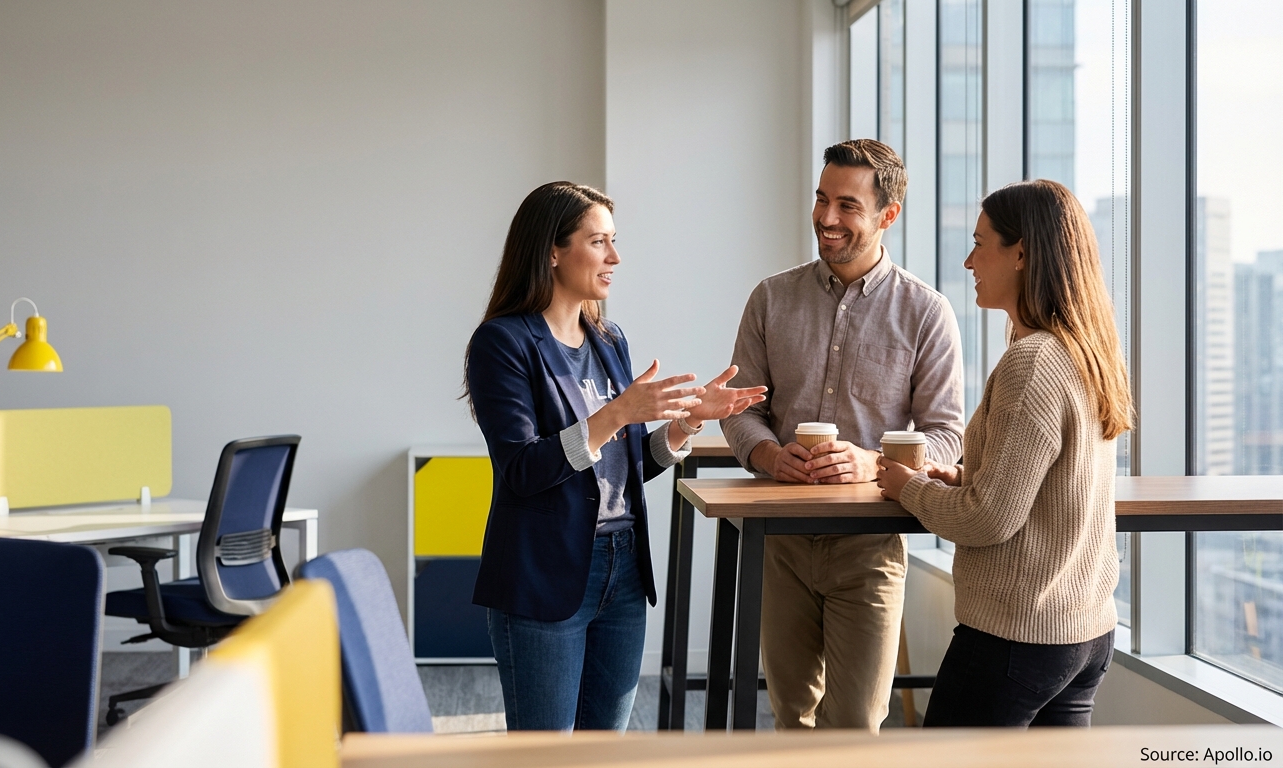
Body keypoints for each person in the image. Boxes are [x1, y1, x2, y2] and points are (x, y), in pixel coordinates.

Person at [463, 181, 766, 732]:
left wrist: (685, 423)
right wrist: (618, 413)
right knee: (545, 755)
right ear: (552, 251)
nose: (615, 257)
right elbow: (524, 470)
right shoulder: (502, 343)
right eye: (598, 241)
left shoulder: (609, 339)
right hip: (543, 573)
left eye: (614, 240)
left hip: (622, 569)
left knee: (606, 749)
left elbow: (621, 465)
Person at [721, 139, 965, 732]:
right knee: (790, 715)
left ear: (888, 215)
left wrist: (873, 464)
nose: (827, 219)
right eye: (821, 200)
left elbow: (946, 436)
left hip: (870, 547)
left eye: (847, 206)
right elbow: (738, 409)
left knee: (855, 723)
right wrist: (769, 454)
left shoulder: (925, 312)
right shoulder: (771, 298)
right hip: (780, 540)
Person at [876, 179, 1133, 727]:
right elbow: (1041, 483)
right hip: (1084, 634)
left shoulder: (1033, 361)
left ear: (1021, 253)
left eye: (979, 242)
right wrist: (965, 476)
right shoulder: (1083, 350)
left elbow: (990, 518)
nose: (969, 260)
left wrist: (909, 487)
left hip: (1019, 635)